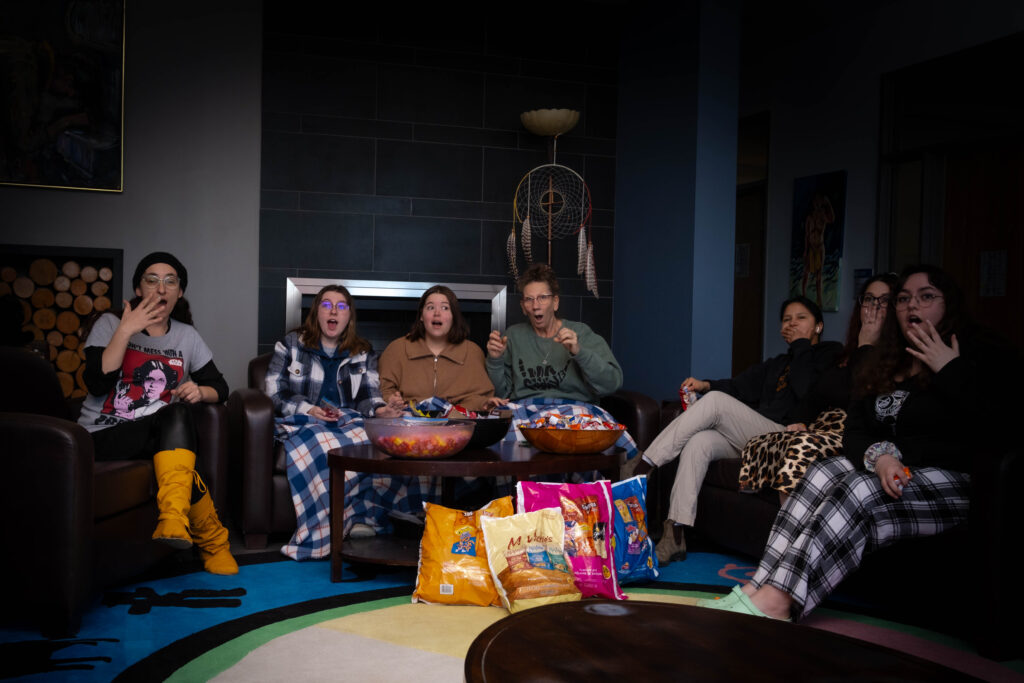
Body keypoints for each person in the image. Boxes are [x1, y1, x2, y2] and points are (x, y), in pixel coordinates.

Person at [701, 265, 1009, 621]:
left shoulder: (976, 354)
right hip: (894, 469)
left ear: (948, 303)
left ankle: (778, 603)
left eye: (926, 297)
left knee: (858, 488)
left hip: (957, 480)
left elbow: (1000, 426)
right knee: (821, 472)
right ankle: (761, 583)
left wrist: (950, 370)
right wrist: (880, 457)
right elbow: (857, 429)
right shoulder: (888, 360)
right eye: (905, 299)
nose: (913, 307)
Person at [628, 296, 842, 565]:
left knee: (716, 404)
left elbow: (806, 389)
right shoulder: (777, 363)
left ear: (818, 326)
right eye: (787, 319)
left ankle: (644, 465)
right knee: (699, 442)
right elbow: (740, 386)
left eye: (801, 318)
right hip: (758, 440)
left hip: (787, 436)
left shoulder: (830, 356)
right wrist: (704, 384)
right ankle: (675, 535)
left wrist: (801, 345)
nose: (792, 323)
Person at [78, 252, 237, 575]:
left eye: (170, 281)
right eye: (152, 280)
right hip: (102, 435)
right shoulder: (110, 324)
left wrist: (200, 391)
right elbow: (96, 382)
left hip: (158, 435)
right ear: (139, 289)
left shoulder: (186, 336)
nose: (160, 288)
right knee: (178, 437)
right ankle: (213, 542)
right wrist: (126, 330)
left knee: (177, 416)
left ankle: (174, 520)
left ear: (179, 293)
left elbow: (220, 387)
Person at [265, 284, 435, 560]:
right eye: (326, 305)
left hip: (348, 422)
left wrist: (384, 411)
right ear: (316, 313)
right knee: (324, 444)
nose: (334, 311)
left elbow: (369, 398)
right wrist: (310, 410)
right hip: (304, 423)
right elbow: (273, 392)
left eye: (342, 306)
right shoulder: (291, 344)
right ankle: (327, 530)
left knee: (379, 442)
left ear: (349, 317)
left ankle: (363, 517)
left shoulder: (363, 352)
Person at [737, 273, 899, 500]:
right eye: (869, 299)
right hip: (820, 428)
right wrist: (800, 419)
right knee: (764, 441)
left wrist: (866, 347)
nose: (874, 307)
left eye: (883, 301)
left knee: (801, 448)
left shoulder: (894, 357)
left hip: (852, 434)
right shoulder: (844, 354)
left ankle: (790, 532)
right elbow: (814, 394)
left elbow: (858, 394)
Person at [484, 263, 637, 458]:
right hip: (525, 410)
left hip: (575, 408)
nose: (535, 305)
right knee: (499, 429)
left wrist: (578, 351)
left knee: (581, 429)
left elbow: (611, 383)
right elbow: (501, 394)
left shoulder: (581, 333)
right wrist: (495, 360)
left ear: (555, 302)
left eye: (542, 298)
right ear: (523, 307)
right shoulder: (513, 336)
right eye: (529, 299)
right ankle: (517, 488)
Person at [379, 285, 501, 414]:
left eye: (445, 308)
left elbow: (480, 398)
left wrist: (485, 403)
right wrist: (393, 400)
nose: (437, 313)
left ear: (454, 316)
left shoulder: (472, 352)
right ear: (421, 316)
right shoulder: (396, 349)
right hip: (408, 420)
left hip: (457, 422)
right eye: (430, 307)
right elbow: (383, 391)